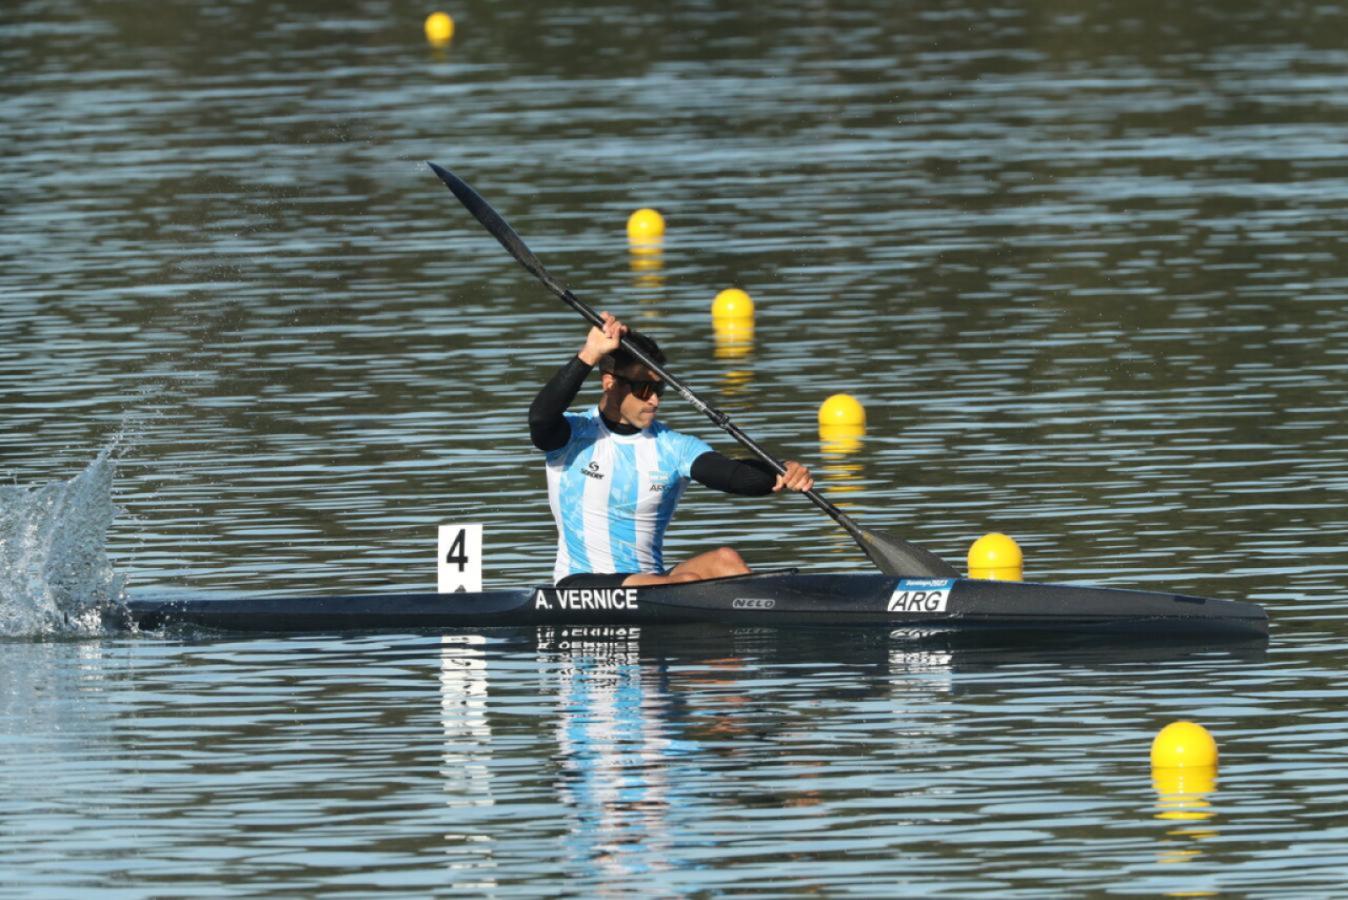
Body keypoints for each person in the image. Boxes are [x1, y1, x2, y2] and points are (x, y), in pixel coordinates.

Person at [529, 312, 814, 588]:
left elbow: (734, 476)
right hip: (580, 585)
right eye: (644, 389)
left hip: (657, 585)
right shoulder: (572, 435)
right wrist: (589, 354)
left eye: (660, 389)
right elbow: (540, 419)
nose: (654, 401)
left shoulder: (672, 447)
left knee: (727, 561)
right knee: (685, 584)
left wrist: (781, 470)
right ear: (610, 384)